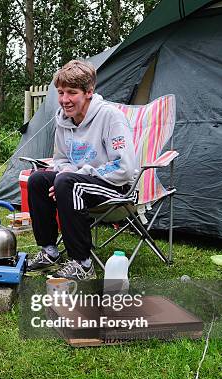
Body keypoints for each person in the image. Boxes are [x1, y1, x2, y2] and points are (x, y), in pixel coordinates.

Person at [26, 60, 137, 280]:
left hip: (116, 185)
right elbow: (62, 160)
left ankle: (82, 263)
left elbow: (124, 167)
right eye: (60, 92)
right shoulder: (63, 121)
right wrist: (65, 176)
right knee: (37, 179)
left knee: (67, 182)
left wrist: (75, 176)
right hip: (76, 183)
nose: (64, 100)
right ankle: (49, 252)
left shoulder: (110, 117)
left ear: (89, 92)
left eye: (71, 93)